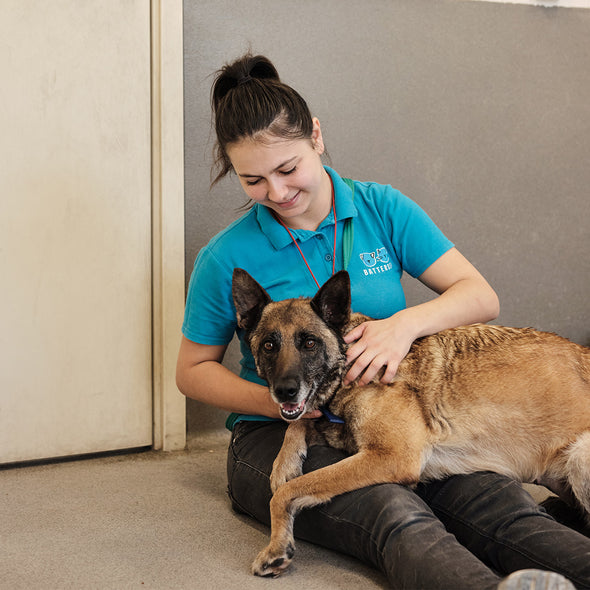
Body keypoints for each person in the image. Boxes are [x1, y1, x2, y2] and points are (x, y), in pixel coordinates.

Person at [176, 53, 590, 589]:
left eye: (287, 169)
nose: (276, 193)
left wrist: (404, 325)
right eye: (252, 179)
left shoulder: (381, 208)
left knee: (500, 508)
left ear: (316, 137)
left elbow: (479, 295)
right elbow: (191, 371)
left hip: (386, 406)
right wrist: (291, 404)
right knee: (393, 511)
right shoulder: (224, 256)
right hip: (270, 435)